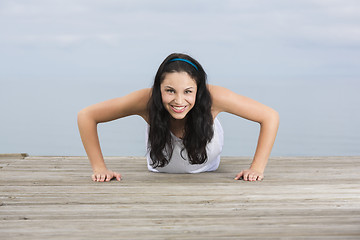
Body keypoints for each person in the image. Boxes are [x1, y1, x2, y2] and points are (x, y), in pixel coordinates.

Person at [77, 53, 279, 182]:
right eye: (170, 91)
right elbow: (87, 116)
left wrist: (256, 168)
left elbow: (270, 116)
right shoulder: (146, 100)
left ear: (198, 91)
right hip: (160, 170)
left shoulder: (214, 97)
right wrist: (99, 168)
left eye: (188, 91)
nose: (179, 101)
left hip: (208, 168)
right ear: (159, 89)